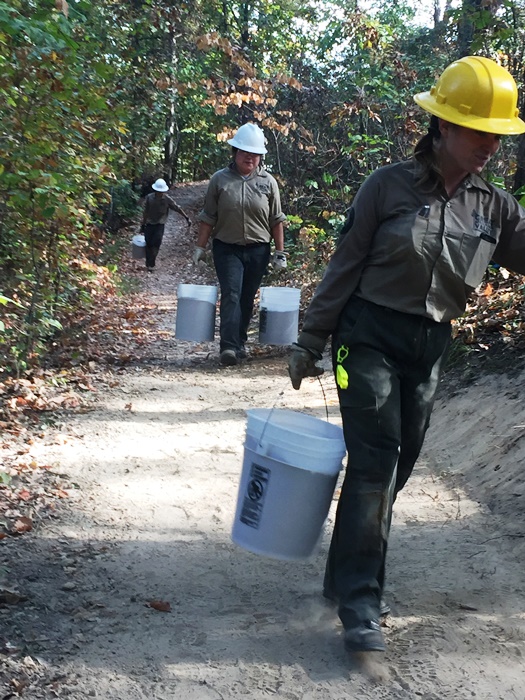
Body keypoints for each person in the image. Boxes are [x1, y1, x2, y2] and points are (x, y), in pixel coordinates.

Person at [287, 56, 525, 654]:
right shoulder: (386, 188)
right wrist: (310, 340)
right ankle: (362, 605)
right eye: (479, 131)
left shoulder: (493, 206)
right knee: (374, 461)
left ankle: (342, 578)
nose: (490, 146)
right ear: (443, 126)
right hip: (365, 337)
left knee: (396, 469)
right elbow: (342, 269)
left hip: (429, 347)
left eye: (497, 134)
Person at [195, 123, 287, 366]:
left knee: (247, 297)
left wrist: (280, 252)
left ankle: (240, 341)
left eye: (255, 153)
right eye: (245, 152)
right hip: (227, 247)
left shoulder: (268, 183)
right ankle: (228, 346)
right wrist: (200, 247)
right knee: (232, 294)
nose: (250, 157)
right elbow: (208, 216)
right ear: (234, 152)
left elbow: (276, 219)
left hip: (258, 250)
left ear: (261, 157)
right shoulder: (220, 180)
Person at [140, 178, 191, 271]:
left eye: (161, 191)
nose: (159, 193)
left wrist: (186, 217)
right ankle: (148, 262)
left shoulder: (167, 199)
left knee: (156, 242)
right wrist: (142, 224)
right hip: (149, 223)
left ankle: (151, 263)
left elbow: (177, 208)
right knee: (148, 243)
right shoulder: (149, 198)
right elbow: (145, 212)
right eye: (158, 191)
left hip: (160, 224)